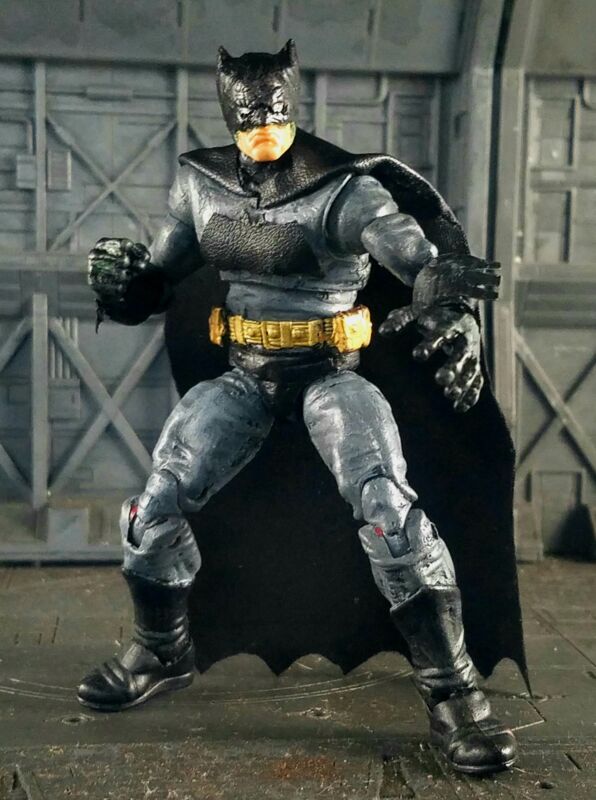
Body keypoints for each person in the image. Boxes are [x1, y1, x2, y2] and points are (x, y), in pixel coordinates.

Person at [79, 41, 516, 775]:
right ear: (228, 109)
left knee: (390, 511)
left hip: (331, 377)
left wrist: (449, 306)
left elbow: (415, 258)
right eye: (248, 114)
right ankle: (162, 650)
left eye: (275, 111)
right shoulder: (202, 186)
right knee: (150, 511)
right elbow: (159, 279)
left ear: (293, 102)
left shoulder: (341, 190)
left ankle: (452, 688)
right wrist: (122, 285)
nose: (263, 126)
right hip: (245, 377)